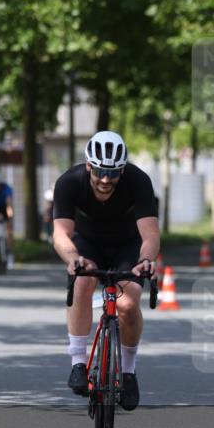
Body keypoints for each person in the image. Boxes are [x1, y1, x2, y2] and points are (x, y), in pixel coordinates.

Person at [52, 131, 159, 411]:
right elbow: (60, 233)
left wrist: (146, 260)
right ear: (88, 165)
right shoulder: (69, 182)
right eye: (99, 171)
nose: (105, 179)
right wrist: (73, 257)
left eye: (112, 173)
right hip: (87, 245)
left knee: (127, 302)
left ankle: (128, 370)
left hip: (128, 246)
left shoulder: (139, 181)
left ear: (122, 169)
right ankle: (78, 362)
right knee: (82, 283)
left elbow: (149, 234)